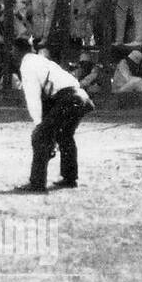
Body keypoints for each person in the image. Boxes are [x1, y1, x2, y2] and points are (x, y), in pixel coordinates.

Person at [12, 37, 94, 192]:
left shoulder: (27, 64)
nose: (12, 53)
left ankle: (37, 183)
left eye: (13, 50)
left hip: (68, 98)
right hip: (81, 97)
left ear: (18, 51)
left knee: (40, 136)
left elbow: (33, 96)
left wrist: (39, 125)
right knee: (65, 136)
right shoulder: (42, 61)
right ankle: (70, 178)